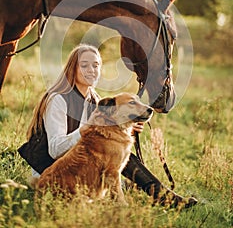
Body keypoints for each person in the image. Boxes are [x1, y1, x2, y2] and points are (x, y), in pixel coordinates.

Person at [19, 43, 197, 208]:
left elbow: (105, 138)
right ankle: (157, 197)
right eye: (84, 65)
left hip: (82, 169)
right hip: (53, 170)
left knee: (118, 152)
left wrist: (127, 127)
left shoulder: (95, 99)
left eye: (96, 65)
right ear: (72, 68)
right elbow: (55, 150)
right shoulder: (58, 99)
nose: (91, 70)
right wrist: (87, 127)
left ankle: (162, 196)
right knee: (114, 156)